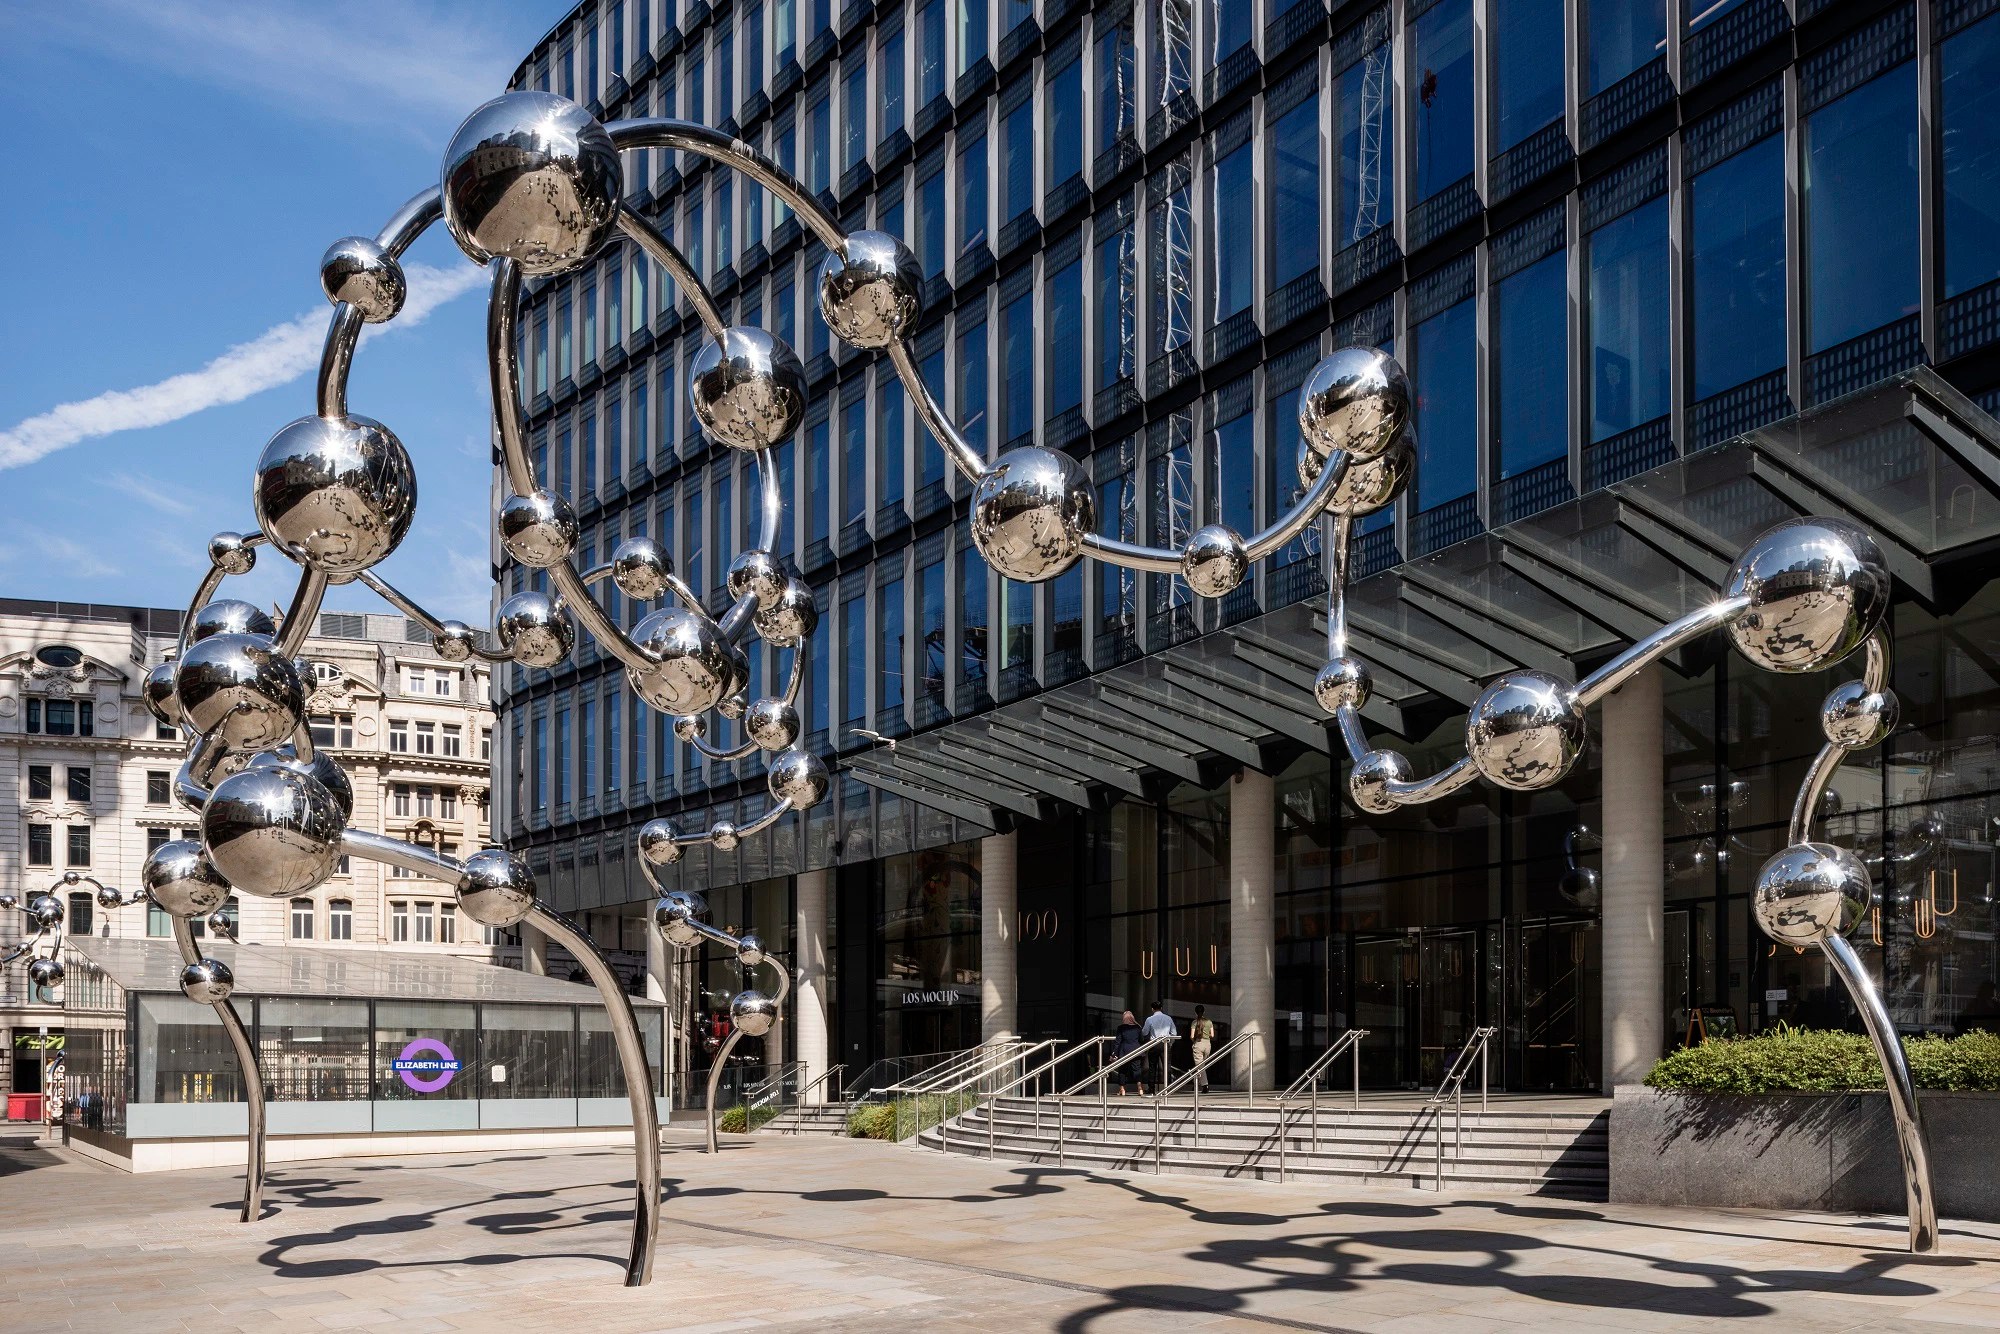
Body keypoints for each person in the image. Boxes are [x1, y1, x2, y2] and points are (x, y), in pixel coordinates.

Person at [1141, 1001, 1178, 1090]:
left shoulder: (1149, 1019)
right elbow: (1174, 1033)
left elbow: (1144, 1032)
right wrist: (1171, 1043)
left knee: (1152, 1066)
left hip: (1154, 1044)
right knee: (1167, 1066)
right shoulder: (1168, 1018)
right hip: (1165, 1043)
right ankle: (1167, 1088)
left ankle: (1151, 1088)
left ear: (1152, 1009)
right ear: (1161, 1008)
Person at [1110, 1010, 1144, 1095]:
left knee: (1122, 1071)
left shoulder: (1121, 1028)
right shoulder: (1138, 1027)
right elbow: (1142, 1039)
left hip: (1124, 1051)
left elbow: (1118, 1042)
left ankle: (1122, 1089)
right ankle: (1140, 1088)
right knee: (1137, 1070)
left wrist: (1114, 1053)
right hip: (1136, 1051)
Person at [1188, 1005, 1216, 1092]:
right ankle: (1195, 1083)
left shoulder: (1194, 1022)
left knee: (1200, 1066)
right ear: (1204, 1012)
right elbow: (1212, 1035)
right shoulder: (1209, 1022)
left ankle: (1205, 1085)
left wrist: (1194, 1041)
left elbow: (1192, 1036)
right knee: (1201, 1066)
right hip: (1207, 1044)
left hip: (1198, 1043)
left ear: (1195, 1012)